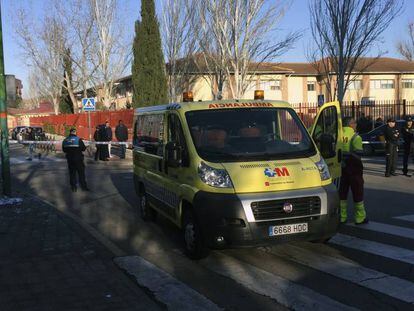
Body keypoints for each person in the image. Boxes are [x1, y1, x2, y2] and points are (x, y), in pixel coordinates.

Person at [339, 117, 368, 225]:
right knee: (357, 193)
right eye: (354, 122)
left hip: (341, 168)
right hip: (354, 169)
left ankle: (342, 217)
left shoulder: (338, 135)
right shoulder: (356, 137)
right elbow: (359, 154)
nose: (356, 124)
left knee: (342, 193)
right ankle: (360, 218)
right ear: (351, 124)